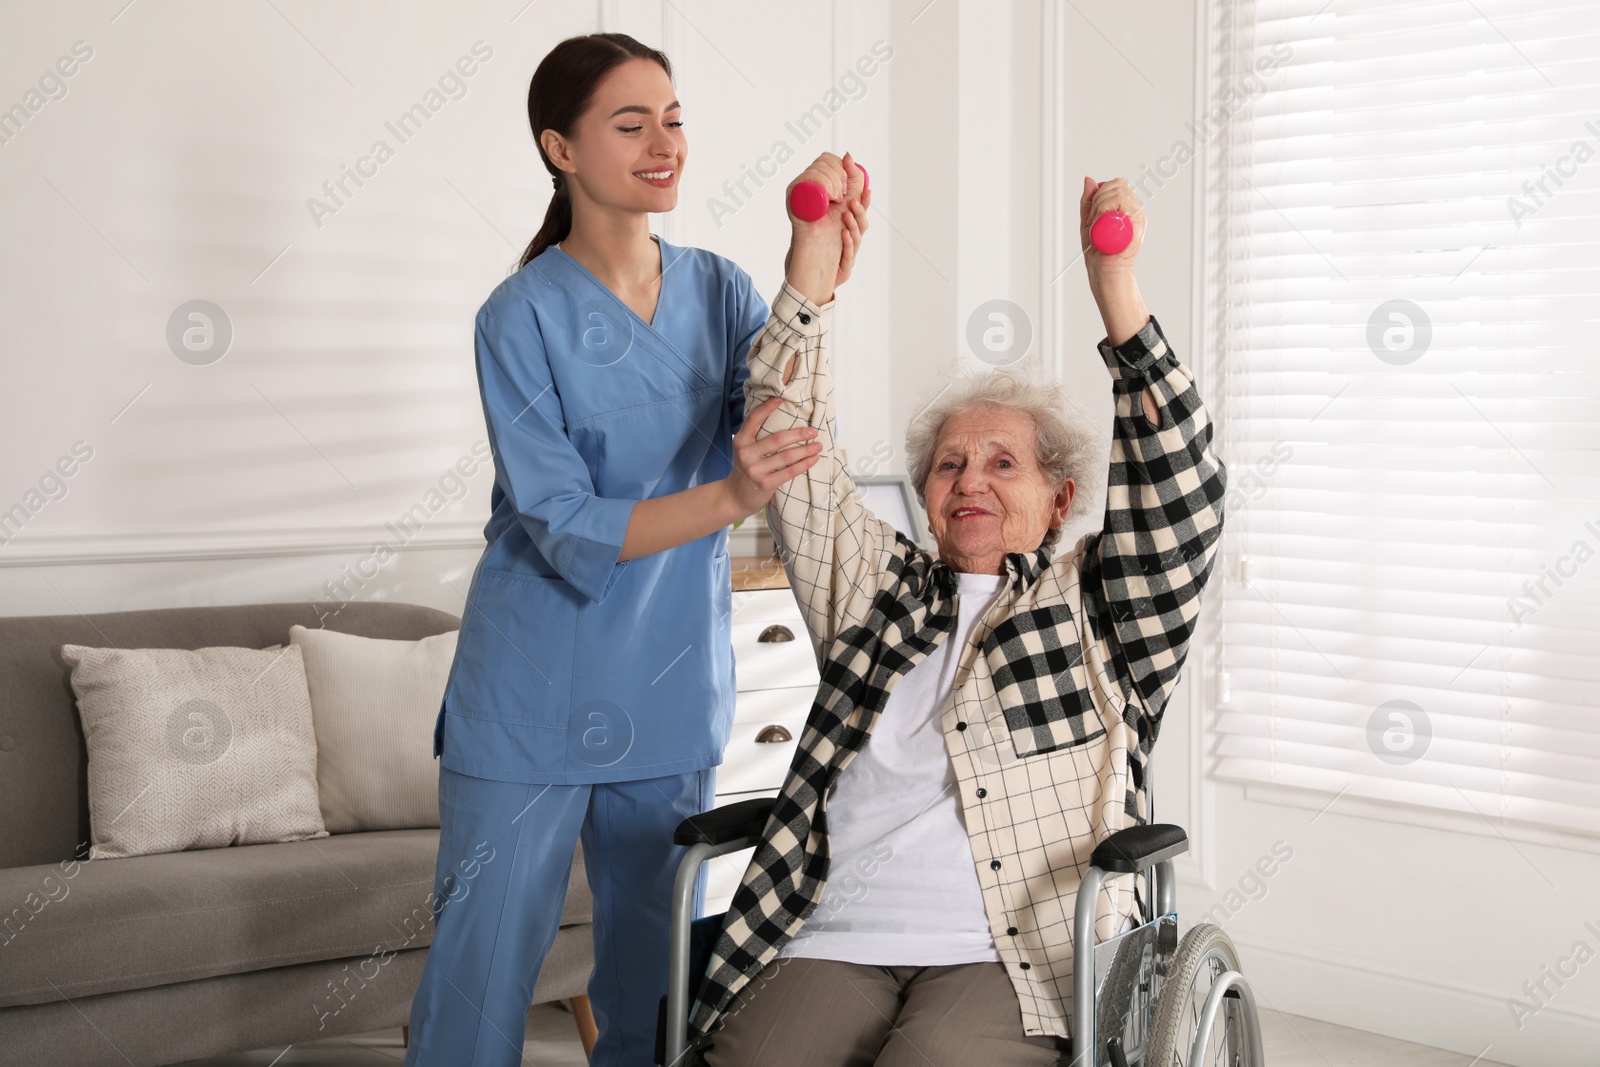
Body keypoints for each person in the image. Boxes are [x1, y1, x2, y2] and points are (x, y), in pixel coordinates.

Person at [686, 171, 1226, 1066]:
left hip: (1009, 949)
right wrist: (810, 265)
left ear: (1059, 499)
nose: (969, 479)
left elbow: (1183, 497)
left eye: (1001, 462)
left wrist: (1116, 290)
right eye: (948, 464)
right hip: (834, 929)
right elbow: (793, 455)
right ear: (926, 497)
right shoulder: (874, 589)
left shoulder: (1099, 608)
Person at [403, 35, 867, 1067]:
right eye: (630, 123)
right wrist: (733, 491)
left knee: (650, 982)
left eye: (674, 117)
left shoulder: (719, 288)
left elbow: (782, 413)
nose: (664, 142)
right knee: (482, 976)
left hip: (667, 686)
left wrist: (812, 274)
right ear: (559, 148)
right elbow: (563, 521)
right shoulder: (518, 317)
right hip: (530, 693)